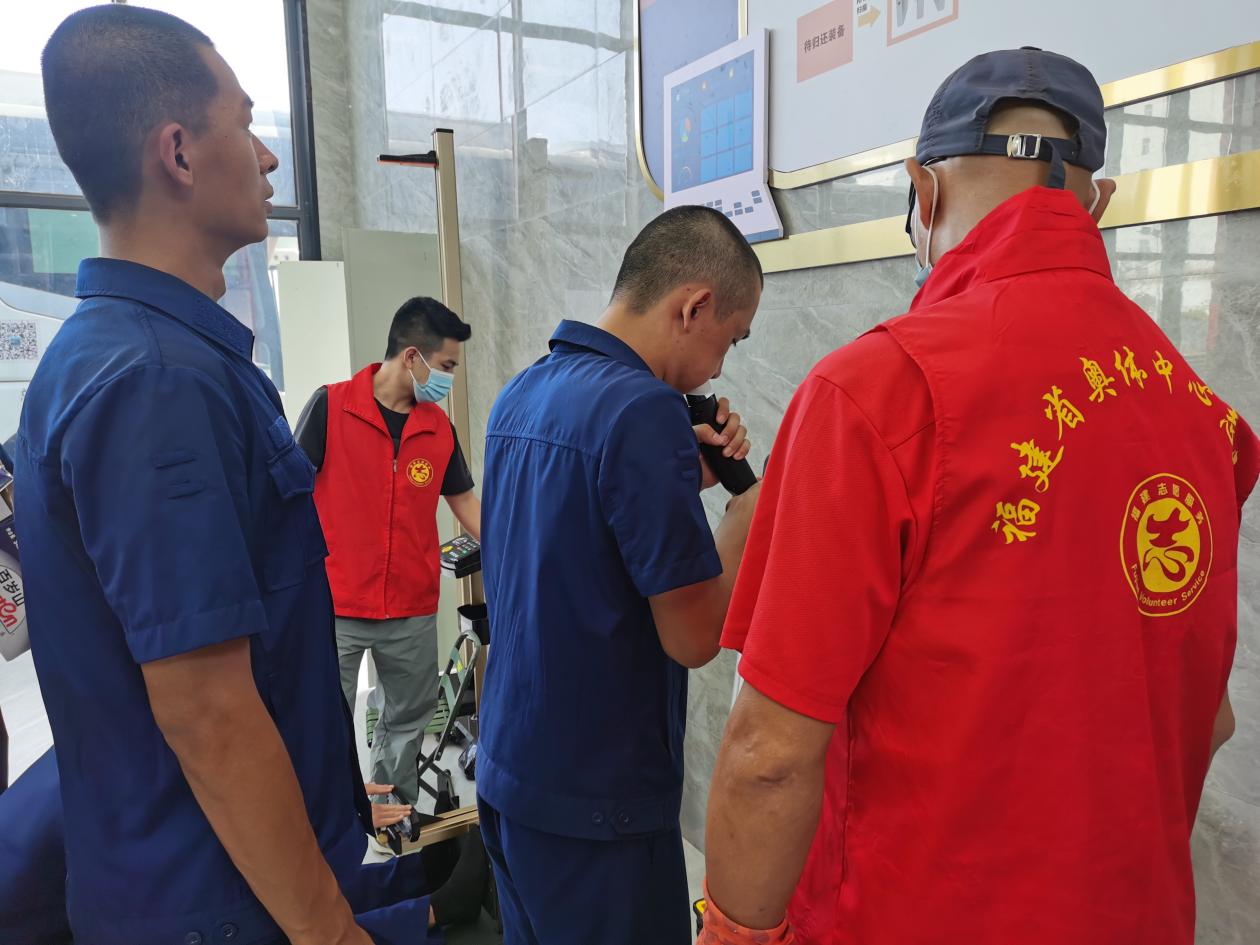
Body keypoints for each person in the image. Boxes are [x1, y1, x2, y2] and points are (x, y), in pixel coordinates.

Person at [701, 47, 1259, 945]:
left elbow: (771, 752)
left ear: (921, 193)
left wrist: (732, 934)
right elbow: (1210, 715)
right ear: (1097, 204)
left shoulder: (874, 393)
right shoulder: (1203, 416)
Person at [17, 8, 483, 943]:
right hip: (214, 894)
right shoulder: (155, 382)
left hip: (234, 866)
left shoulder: (144, 356)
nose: (270, 157)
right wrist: (329, 930)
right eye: (246, 123)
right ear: (179, 153)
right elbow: (209, 710)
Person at [476, 205, 764, 944]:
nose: (719, 369)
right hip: (599, 808)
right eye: (730, 339)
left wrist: (677, 478)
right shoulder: (643, 411)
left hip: (511, 778)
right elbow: (694, 637)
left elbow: (580, 538)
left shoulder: (523, 391)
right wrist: (750, 510)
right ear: (694, 306)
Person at [295, 297, 480, 807]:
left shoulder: (437, 428)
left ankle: (390, 810)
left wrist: (520, 549)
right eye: (446, 366)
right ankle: (336, 814)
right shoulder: (331, 407)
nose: (449, 379)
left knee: (406, 720)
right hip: (336, 603)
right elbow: (286, 493)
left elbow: (466, 503)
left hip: (411, 608)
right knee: (326, 717)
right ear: (412, 357)